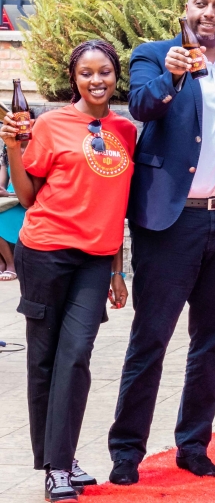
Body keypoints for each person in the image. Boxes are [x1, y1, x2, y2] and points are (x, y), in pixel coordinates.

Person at [108, 0, 215, 485]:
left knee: (212, 342)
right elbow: (139, 108)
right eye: (201, 4)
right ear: (186, 9)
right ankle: (127, 452)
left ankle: (193, 443)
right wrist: (171, 78)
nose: (209, 13)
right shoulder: (153, 56)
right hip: (171, 222)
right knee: (150, 340)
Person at [6, 40, 134, 503]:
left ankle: (58, 459)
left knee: (75, 356)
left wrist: (119, 271)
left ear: (116, 75)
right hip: (44, 252)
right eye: (86, 73)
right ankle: (57, 465)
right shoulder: (51, 124)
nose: (96, 80)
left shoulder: (125, 130)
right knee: (42, 362)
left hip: (95, 260)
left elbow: (116, 204)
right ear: (73, 77)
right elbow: (26, 196)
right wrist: (11, 149)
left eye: (105, 72)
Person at [0, 146, 26, 280]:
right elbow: (2, 184)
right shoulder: (8, 152)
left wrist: (9, 194)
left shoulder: (34, 152)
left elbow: (32, 191)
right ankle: (2, 262)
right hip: (10, 199)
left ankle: (11, 265)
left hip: (23, 201)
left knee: (2, 217)